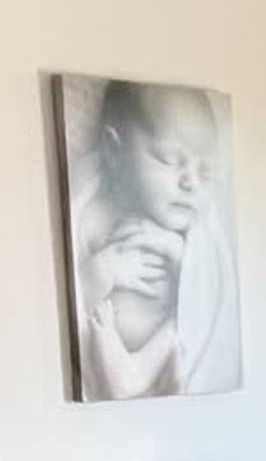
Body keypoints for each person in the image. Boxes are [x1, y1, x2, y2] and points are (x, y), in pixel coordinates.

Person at [68, 79, 238, 398]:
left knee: (177, 331)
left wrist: (177, 253)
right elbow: (73, 299)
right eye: (170, 160)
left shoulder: (191, 232)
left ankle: (133, 376)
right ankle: (123, 374)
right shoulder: (94, 216)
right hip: (108, 353)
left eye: (204, 172)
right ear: (115, 149)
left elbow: (209, 292)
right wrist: (105, 270)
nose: (190, 182)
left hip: (164, 350)